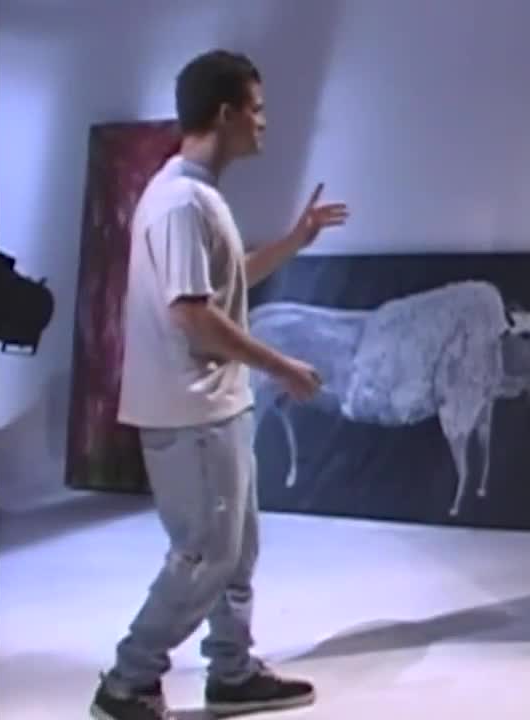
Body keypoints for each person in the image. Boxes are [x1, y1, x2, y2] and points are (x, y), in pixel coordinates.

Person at [90, 49, 348, 720]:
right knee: (204, 555)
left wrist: (294, 241)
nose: (264, 122)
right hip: (190, 411)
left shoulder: (198, 195)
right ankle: (127, 681)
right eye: (256, 110)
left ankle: (231, 672)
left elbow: (220, 285)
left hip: (216, 407)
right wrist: (281, 366)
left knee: (236, 553)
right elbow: (194, 318)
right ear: (227, 113)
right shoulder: (181, 202)